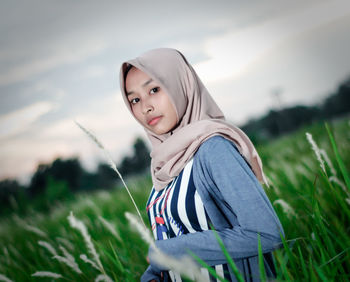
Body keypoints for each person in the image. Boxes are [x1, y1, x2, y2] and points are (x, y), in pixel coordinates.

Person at [119, 48, 284, 282]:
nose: (145, 107)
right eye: (135, 99)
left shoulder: (213, 149)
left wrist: (168, 251)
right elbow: (178, 237)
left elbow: (266, 233)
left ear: (181, 84)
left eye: (154, 90)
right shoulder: (163, 163)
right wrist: (156, 272)